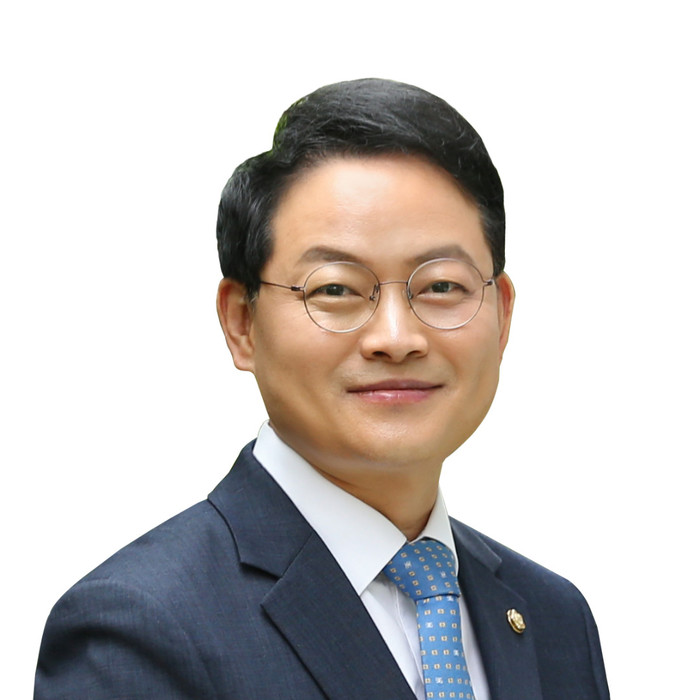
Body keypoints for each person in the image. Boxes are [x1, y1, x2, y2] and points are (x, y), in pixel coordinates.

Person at [35, 78, 609, 699]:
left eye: (442, 286)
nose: (396, 338)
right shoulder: (138, 626)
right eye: (335, 289)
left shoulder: (554, 618)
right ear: (242, 323)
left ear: (502, 315)